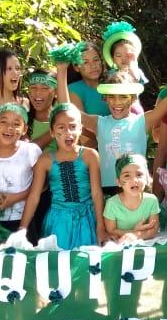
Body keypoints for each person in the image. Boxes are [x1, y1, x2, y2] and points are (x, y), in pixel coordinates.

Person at [57, 49, 167, 193]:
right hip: (108, 192)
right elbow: (67, 110)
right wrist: (61, 70)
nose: (117, 103)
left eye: (123, 97)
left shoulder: (142, 121)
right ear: (105, 98)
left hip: (137, 191)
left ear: (132, 99)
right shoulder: (99, 123)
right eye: (112, 97)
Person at [19, 104, 104, 248]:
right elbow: (34, 196)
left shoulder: (90, 155)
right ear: (52, 132)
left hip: (88, 219)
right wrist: (22, 230)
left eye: (72, 126)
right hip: (58, 221)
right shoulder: (45, 160)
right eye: (61, 128)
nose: (68, 132)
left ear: (80, 129)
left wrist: (101, 227)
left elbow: (96, 193)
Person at [0, 104, 41, 234]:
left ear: (24, 129)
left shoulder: (31, 151)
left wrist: (15, 198)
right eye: (3, 122)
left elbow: (41, 185)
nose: (9, 128)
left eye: (16, 124)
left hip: (25, 220)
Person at [102, 154, 161, 243]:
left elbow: (154, 229)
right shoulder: (112, 204)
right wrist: (134, 232)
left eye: (139, 174)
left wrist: (136, 235)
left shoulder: (152, 200)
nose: (134, 179)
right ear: (118, 182)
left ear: (147, 179)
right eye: (127, 176)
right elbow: (111, 230)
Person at [26, 70, 58, 149]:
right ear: (28, 92)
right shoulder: (21, 119)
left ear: (56, 93)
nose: (38, 92)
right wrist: (57, 129)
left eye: (45, 88)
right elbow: (26, 151)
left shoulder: (66, 118)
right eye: (33, 87)